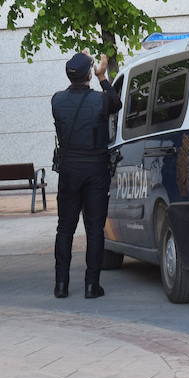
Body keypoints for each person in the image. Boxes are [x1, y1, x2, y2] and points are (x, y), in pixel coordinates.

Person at [51, 52, 122, 299]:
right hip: (95, 169)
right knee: (94, 229)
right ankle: (92, 286)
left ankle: (61, 285)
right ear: (89, 74)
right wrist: (103, 78)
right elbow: (116, 103)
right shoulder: (100, 100)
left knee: (64, 229)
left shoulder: (57, 100)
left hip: (69, 169)